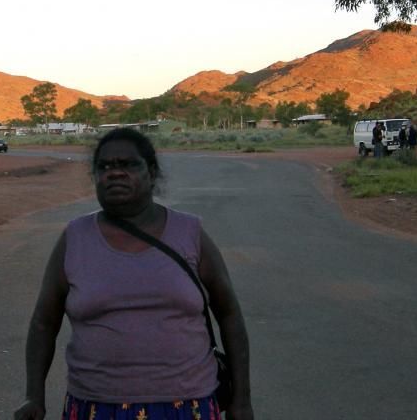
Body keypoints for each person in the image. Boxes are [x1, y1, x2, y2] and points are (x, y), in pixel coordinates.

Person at [14, 127, 254, 420]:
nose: (114, 173)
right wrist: (33, 397)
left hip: (189, 405)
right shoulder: (74, 238)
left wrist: (241, 401)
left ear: (151, 173)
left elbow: (229, 314)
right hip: (95, 407)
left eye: (128, 165)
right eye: (104, 167)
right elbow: (43, 323)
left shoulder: (190, 233)